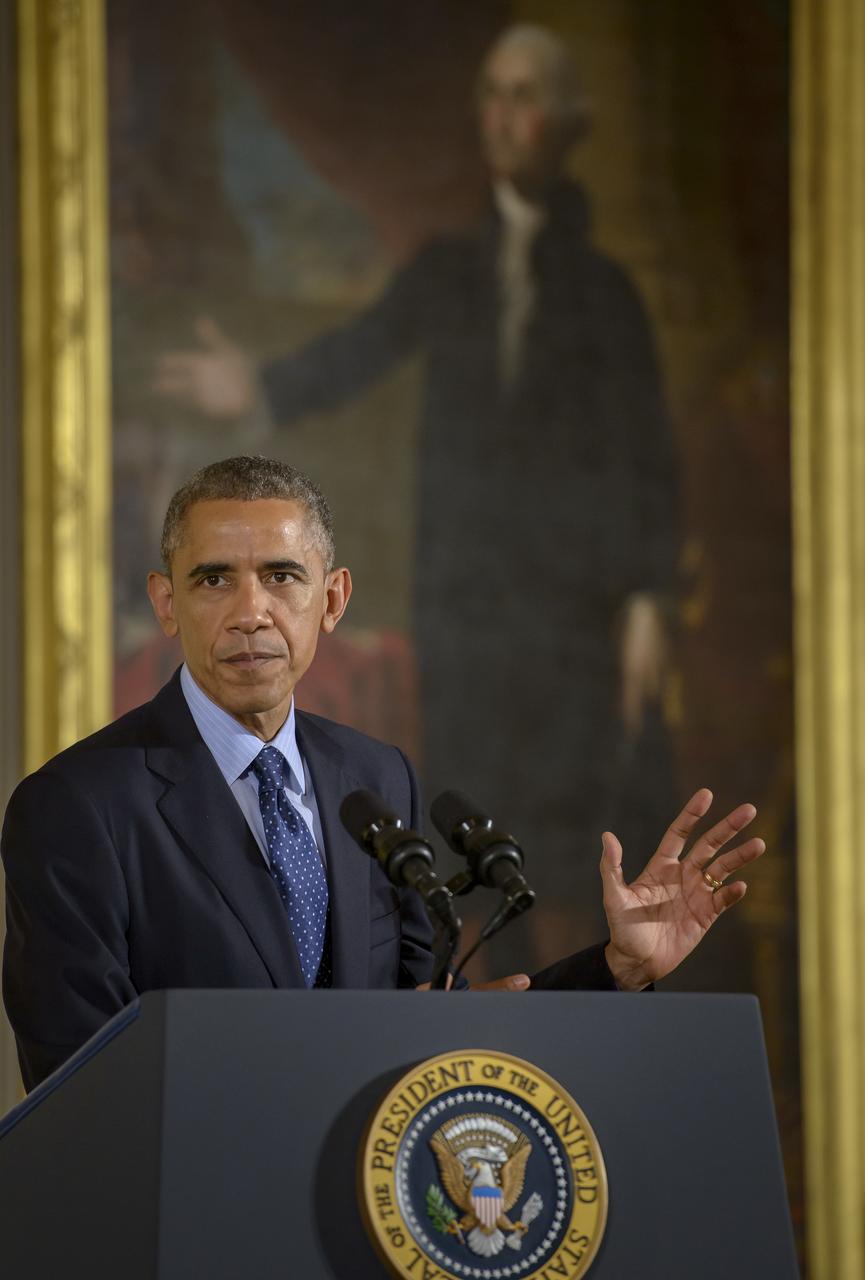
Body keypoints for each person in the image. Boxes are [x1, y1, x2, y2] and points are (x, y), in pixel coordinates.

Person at [3, 457, 764, 1092]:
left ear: (330, 600)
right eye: (212, 581)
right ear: (165, 603)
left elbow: (434, 1017)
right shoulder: (76, 807)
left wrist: (617, 967)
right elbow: (81, 1080)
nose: (250, 612)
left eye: (280, 576)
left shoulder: (372, 777)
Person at [154, 26, 680, 930]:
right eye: (492, 93)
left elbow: (647, 458)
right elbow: (360, 351)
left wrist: (645, 599)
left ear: (566, 121)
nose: (504, 116)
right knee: (473, 828)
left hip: (573, 621)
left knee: (570, 847)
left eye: (525, 95)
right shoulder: (450, 269)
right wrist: (257, 386)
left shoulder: (604, 294)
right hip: (468, 606)